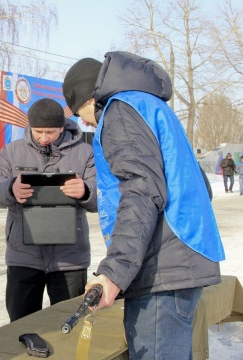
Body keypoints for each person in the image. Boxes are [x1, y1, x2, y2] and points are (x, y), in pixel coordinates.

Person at [62, 51, 225, 359]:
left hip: (163, 269)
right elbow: (198, 187)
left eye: (77, 113)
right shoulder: (148, 105)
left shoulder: (119, 112)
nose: (83, 122)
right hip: (179, 261)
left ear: (86, 99)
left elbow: (140, 192)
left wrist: (113, 273)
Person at [0, 98, 98, 322]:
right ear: (29, 127)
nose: (44, 138)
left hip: (69, 260)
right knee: (20, 328)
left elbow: (103, 199)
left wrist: (85, 191)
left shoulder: (85, 152)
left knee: (68, 325)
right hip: (23, 257)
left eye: (50, 132)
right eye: (38, 132)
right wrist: (10, 188)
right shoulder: (12, 152)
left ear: (62, 128)